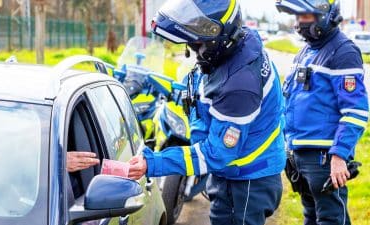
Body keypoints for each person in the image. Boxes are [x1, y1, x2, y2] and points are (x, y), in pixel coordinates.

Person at [128, 0, 286, 224]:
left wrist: (153, 163)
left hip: (247, 180)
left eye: (197, 41)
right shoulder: (235, 45)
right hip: (234, 172)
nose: (193, 47)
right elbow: (203, 89)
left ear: (217, 36)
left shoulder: (240, 84)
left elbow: (216, 154)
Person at [276, 0, 369, 224]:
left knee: (331, 219)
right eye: (297, 17)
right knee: (311, 217)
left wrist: (339, 157)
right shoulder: (306, 51)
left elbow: (356, 111)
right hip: (299, 156)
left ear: (325, 15)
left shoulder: (343, 51)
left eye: (305, 16)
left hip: (325, 158)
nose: (299, 23)